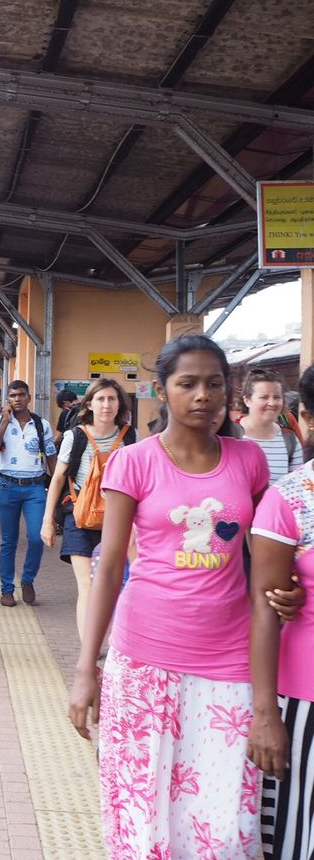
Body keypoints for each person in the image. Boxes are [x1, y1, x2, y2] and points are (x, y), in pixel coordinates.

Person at [69, 334, 273, 857]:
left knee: (223, 823)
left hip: (228, 660)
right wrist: (86, 667)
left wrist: (287, 590)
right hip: (142, 661)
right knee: (142, 815)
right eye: (188, 384)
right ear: (162, 391)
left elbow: (264, 555)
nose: (203, 395)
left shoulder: (249, 460)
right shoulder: (133, 462)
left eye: (214, 384)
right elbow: (109, 566)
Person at [248, 362, 314, 860]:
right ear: (307, 420)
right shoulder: (289, 497)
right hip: (303, 698)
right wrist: (266, 714)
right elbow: (265, 607)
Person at [41, 378, 135, 636]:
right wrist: (48, 520)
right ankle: (89, 649)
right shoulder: (76, 436)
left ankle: (117, 641)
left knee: (116, 585)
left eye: (112, 399)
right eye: (101, 399)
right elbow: (58, 478)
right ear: (90, 404)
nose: (106, 404)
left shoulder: (130, 437)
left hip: (119, 520)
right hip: (80, 516)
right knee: (88, 586)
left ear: (119, 405)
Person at [0, 380, 56, 606]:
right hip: (7, 486)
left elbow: (51, 456)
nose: (17, 399)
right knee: (8, 541)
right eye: (13, 395)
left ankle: (27, 579)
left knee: (37, 538)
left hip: (35, 487)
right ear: (8, 398)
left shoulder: (41, 424)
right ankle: (7, 589)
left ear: (29, 397)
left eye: (21, 395)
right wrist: (5, 422)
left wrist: (56, 487)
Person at [241, 368, 303, 485]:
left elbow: (297, 487)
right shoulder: (230, 436)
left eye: (277, 397)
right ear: (247, 400)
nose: (272, 403)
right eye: (264, 397)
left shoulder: (290, 441)